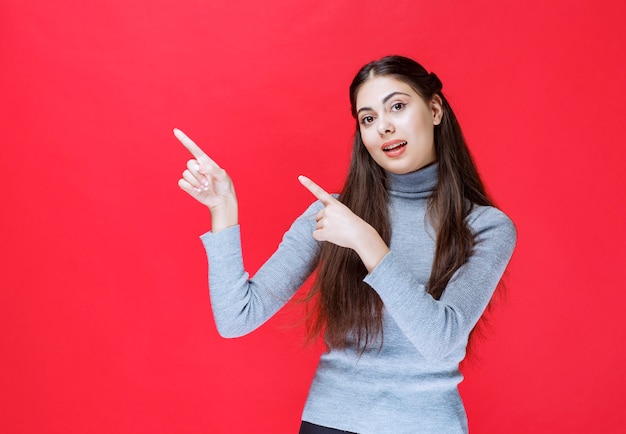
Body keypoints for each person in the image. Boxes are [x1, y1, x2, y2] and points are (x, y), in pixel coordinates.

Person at [175, 55, 516, 434]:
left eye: (397, 107)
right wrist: (223, 209)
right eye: (368, 119)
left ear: (434, 108)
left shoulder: (485, 227)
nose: (383, 127)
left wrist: (367, 241)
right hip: (331, 423)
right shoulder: (333, 214)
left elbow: (441, 341)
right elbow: (236, 318)